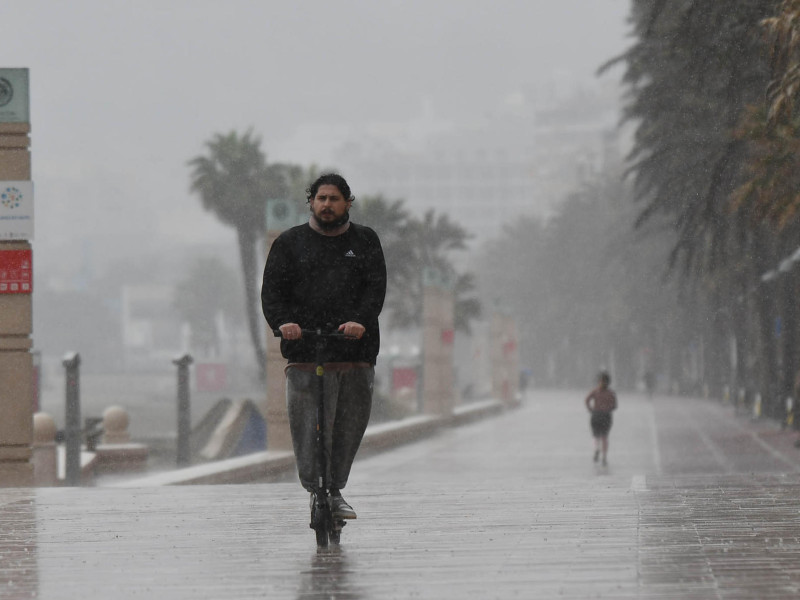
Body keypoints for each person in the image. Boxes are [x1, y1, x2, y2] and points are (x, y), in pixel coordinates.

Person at [261, 173, 387, 521]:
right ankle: (316, 489)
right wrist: (283, 323)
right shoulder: (289, 243)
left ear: (348, 202)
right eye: (321, 198)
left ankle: (335, 489)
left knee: (348, 426)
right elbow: (272, 293)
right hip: (305, 352)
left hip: (354, 353)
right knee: (306, 426)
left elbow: (375, 290)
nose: (327, 205)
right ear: (311, 203)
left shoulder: (364, 241)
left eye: (334, 198)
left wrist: (360, 321)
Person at [585, 371, 617, 466]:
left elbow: (587, 400)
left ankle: (596, 449)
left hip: (596, 415)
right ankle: (604, 456)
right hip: (606, 416)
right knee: (604, 437)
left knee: (596, 436)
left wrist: (591, 409)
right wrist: (608, 408)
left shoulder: (595, 391)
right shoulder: (611, 393)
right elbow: (614, 405)